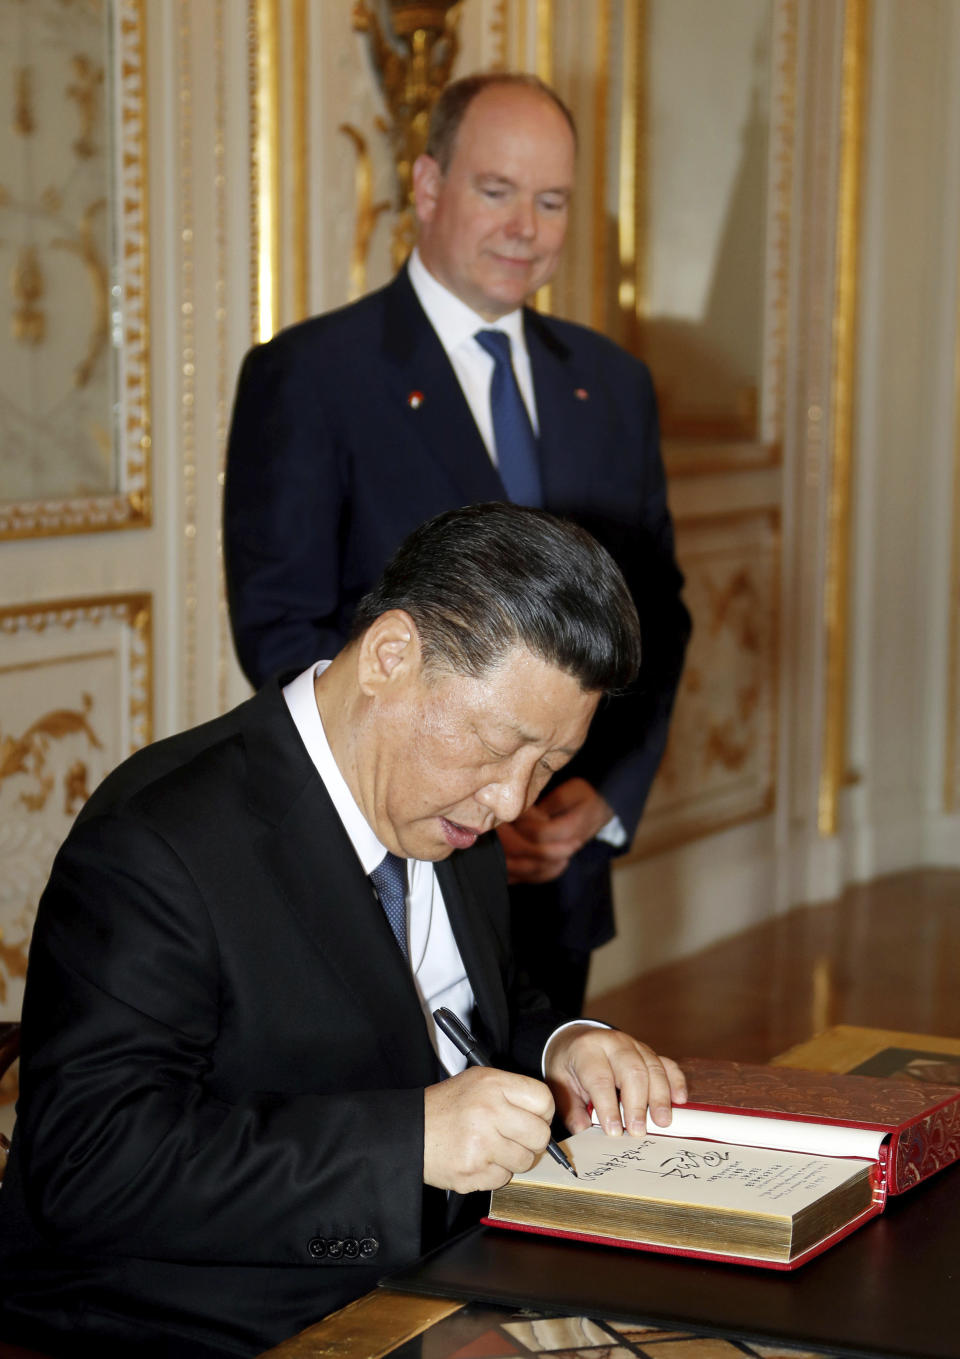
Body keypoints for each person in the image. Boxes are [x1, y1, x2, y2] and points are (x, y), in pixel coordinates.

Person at [0, 505, 687, 1359]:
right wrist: (410, 1144)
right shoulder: (158, 843)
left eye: (548, 765)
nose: (513, 801)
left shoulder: (448, 809)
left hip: (453, 1270)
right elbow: (90, 1162)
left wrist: (567, 1046)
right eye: (496, 745)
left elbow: (473, 1004)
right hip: (216, 1316)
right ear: (392, 657)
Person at [223, 72, 691, 1017]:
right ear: (429, 188)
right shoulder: (311, 375)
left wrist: (598, 795)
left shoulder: (616, 384)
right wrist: (459, 788)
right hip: (392, 866)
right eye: (496, 190)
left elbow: (658, 617)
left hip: (559, 872)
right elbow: (281, 625)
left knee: (545, 1134)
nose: (527, 226)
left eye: (551, 200)